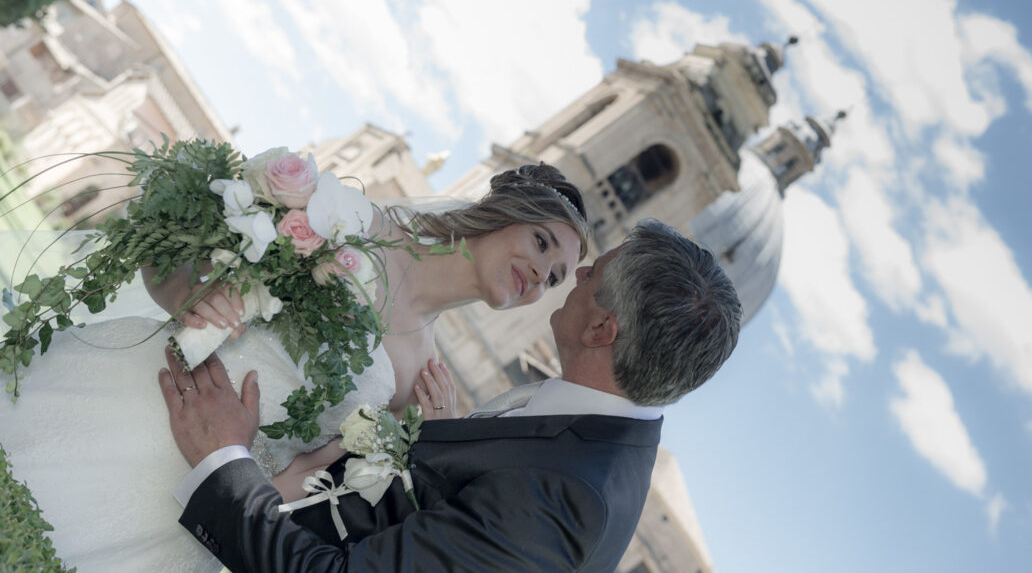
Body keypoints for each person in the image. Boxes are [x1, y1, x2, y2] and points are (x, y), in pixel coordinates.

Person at [0, 163, 589, 572]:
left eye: (557, 277)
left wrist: (424, 454)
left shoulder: (422, 382)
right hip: (125, 397)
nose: (542, 275)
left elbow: (311, 485)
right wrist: (193, 295)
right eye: (542, 244)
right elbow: (168, 263)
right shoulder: (345, 221)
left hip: (181, 497)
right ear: (507, 213)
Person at [166, 219, 742, 572]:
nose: (579, 274)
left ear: (602, 332)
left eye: (592, 274)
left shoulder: (569, 501)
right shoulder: (581, 448)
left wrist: (225, 460)